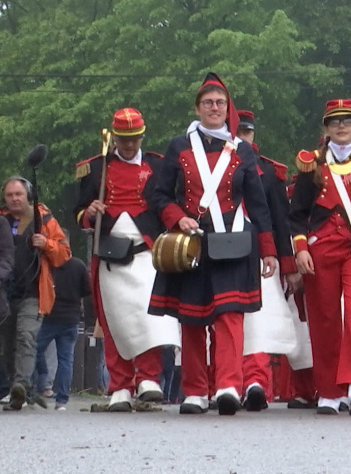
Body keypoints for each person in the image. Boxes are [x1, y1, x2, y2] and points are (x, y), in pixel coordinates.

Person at [148, 73, 278, 416]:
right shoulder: (179, 146)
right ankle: (194, 390)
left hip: (234, 242)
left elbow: (258, 202)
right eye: (208, 103)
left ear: (228, 108)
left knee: (230, 318)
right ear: (197, 108)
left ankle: (228, 387)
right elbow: (160, 195)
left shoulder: (242, 149)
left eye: (220, 103)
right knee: (191, 319)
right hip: (191, 243)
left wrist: (268, 250)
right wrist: (178, 218)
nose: (215, 108)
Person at [75, 108, 180, 412]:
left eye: (134, 139)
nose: (129, 145)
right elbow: (79, 212)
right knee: (114, 322)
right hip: (109, 255)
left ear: (142, 136)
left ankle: (148, 379)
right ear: (114, 138)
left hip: (147, 252)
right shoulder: (95, 168)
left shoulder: (159, 166)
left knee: (149, 318)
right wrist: (90, 212)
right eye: (124, 139)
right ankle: (119, 385)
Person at [290, 99, 351, 416]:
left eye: (348, 121)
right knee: (324, 319)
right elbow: (297, 215)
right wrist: (301, 249)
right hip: (319, 251)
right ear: (326, 128)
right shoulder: (311, 165)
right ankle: (330, 391)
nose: (342, 126)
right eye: (335, 121)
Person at [235, 109, 300, 411]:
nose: (242, 138)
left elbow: (280, 220)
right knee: (226, 322)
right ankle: (227, 384)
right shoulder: (209, 165)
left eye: (246, 133)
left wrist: (288, 265)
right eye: (238, 132)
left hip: (263, 255)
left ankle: (256, 382)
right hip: (223, 251)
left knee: (260, 321)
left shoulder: (269, 172)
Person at [0, 176, 71, 410]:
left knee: (26, 337)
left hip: (33, 291)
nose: (14, 199)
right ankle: (17, 388)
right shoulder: (2, 219)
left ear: (27, 195)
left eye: (18, 194)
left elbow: (64, 254)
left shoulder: (44, 219)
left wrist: (46, 244)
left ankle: (20, 385)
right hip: (5, 293)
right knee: (8, 343)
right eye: (10, 195)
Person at [34, 248, 91, 411]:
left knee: (34, 350)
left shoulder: (48, 264)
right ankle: (62, 401)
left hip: (50, 317)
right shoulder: (79, 265)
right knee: (66, 360)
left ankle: (41, 381)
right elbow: (86, 290)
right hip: (71, 318)